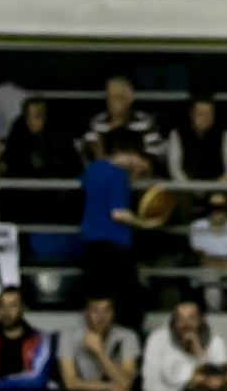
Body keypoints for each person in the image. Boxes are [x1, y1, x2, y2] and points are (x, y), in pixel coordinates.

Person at [78, 135, 162, 333]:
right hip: (115, 246)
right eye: (134, 156)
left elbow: (91, 188)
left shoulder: (93, 168)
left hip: (91, 245)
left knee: (98, 303)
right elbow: (118, 213)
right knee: (129, 305)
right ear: (123, 153)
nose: (135, 161)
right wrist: (145, 223)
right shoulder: (118, 175)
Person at [0, 99, 79, 226]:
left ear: (46, 117)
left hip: (52, 200)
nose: (32, 121)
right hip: (21, 198)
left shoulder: (59, 135)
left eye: (37, 116)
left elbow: (70, 166)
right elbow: (10, 158)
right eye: (28, 116)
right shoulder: (18, 131)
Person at [138, 298, 227, 391]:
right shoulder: (157, 339)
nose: (186, 324)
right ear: (174, 321)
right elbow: (150, 381)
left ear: (201, 319)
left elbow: (217, 382)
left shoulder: (216, 342)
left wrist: (198, 350)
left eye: (192, 318)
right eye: (181, 319)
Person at [0, 291, 51, 390]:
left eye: (12, 305)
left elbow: (38, 380)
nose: (6, 311)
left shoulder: (40, 339)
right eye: (1, 305)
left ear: (23, 308)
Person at [56, 297, 138, 391]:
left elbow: (125, 384)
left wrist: (100, 352)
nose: (101, 317)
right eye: (95, 311)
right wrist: (109, 386)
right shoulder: (68, 336)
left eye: (106, 311)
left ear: (113, 314)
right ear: (86, 313)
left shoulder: (128, 337)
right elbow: (70, 383)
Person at [185, 195, 227, 312]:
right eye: (214, 208)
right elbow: (201, 257)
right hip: (203, 269)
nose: (218, 212)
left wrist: (218, 262)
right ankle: (215, 313)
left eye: (221, 208)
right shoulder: (197, 226)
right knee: (211, 275)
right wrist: (220, 262)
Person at [82, 78, 161, 163]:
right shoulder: (97, 122)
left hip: (138, 171)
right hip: (106, 171)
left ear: (130, 99)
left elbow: (154, 154)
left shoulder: (145, 122)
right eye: (109, 98)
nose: (112, 103)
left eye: (117, 98)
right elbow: (90, 154)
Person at [165, 99, 227, 187]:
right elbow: (174, 169)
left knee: (222, 198)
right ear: (191, 114)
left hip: (218, 186)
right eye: (201, 113)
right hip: (185, 186)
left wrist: (217, 188)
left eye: (209, 114)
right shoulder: (177, 134)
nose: (205, 118)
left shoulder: (225, 134)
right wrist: (189, 187)